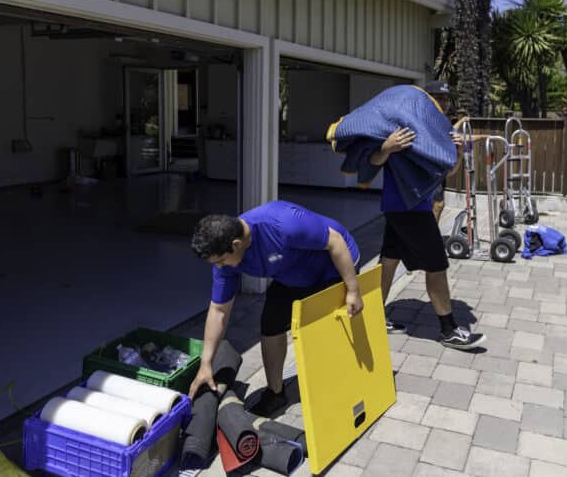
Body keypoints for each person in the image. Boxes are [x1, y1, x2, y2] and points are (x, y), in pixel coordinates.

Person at [188, 200, 362, 417]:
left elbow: (335, 241)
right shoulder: (226, 261)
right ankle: (276, 393)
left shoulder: (282, 223)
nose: (220, 267)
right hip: (292, 273)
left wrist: (353, 290)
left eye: (222, 261)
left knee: (320, 332)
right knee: (270, 323)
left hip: (334, 269)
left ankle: (340, 388)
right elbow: (219, 310)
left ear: (235, 244)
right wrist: (206, 364)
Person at [374, 80, 486, 350]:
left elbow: (447, 174)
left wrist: (457, 153)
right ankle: (448, 330)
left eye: (445, 99)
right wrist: (387, 147)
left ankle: (374, 318)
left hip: (413, 206)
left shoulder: (441, 132)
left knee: (389, 261)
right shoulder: (402, 124)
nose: (442, 102)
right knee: (436, 264)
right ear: (425, 100)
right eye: (436, 97)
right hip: (406, 208)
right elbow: (372, 161)